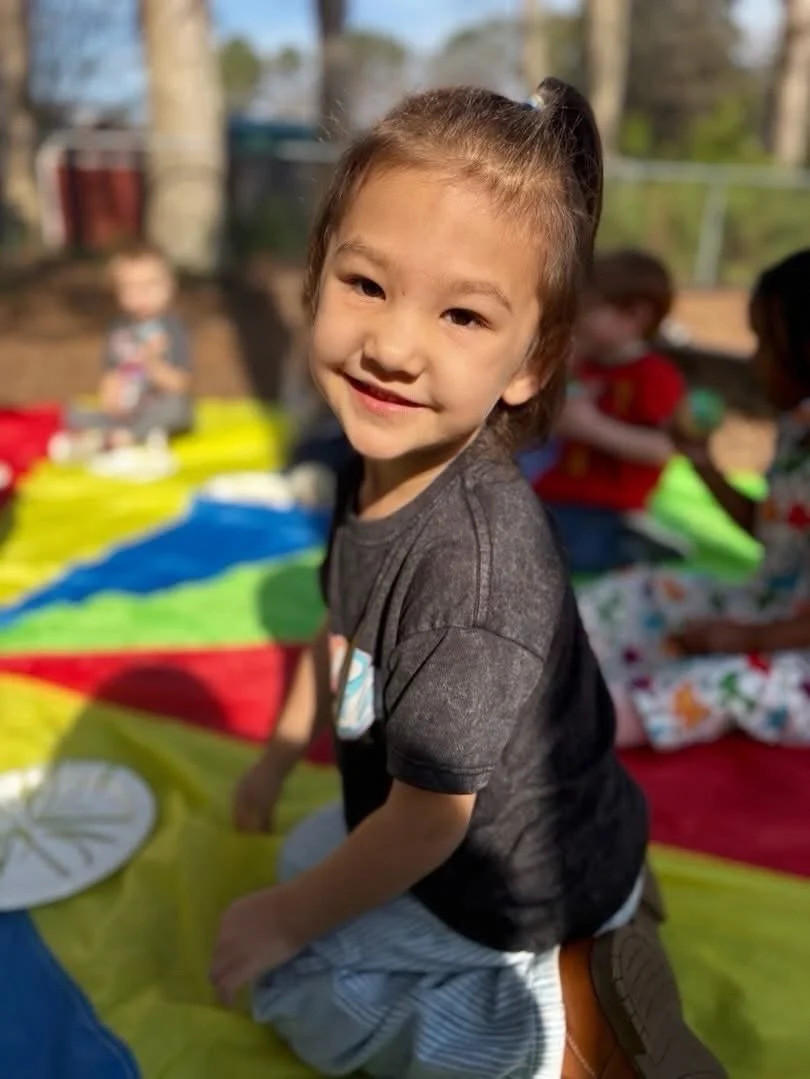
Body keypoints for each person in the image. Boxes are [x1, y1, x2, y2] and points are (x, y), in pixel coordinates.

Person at [210, 80, 725, 1079]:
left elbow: (429, 820)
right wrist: (276, 756)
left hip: (508, 880)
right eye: (367, 284)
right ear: (317, 276)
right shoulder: (372, 464)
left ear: (532, 361)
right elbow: (340, 627)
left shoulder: (477, 574)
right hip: (505, 821)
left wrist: (283, 921)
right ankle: (606, 916)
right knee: (300, 857)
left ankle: (562, 1031)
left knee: (287, 978)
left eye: (461, 313)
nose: (393, 348)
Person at [578, 249, 810, 751]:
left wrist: (742, 640)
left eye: (765, 343)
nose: (755, 361)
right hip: (766, 606)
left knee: (731, 683)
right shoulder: (797, 430)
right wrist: (704, 463)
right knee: (643, 591)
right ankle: (549, 656)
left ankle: (583, 727)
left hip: (796, 652)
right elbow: (771, 530)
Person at [533, 250, 686, 573]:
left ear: (636, 316)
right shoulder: (586, 366)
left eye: (590, 309)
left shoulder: (654, 376)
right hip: (556, 493)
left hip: (606, 506)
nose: (579, 319)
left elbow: (662, 448)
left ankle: (633, 546)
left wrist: (593, 427)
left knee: (561, 552)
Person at [49, 240, 193, 463]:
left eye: (151, 285)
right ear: (116, 291)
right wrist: (110, 397)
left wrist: (152, 363)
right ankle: (106, 436)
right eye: (131, 288)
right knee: (72, 414)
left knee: (178, 409)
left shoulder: (172, 328)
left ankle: (126, 437)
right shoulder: (118, 329)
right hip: (125, 412)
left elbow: (180, 384)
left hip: (158, 407)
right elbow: (111, 372)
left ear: (169, 287)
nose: (142, 295)